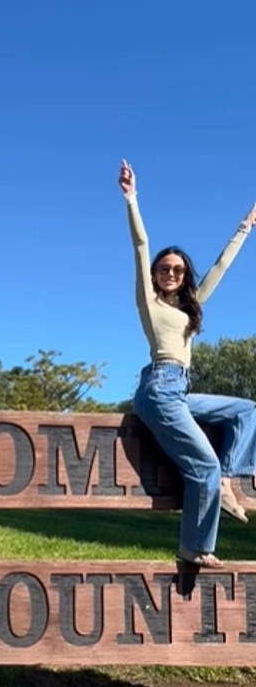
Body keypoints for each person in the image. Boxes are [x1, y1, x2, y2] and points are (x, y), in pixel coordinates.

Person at [119, 159, 256, 569]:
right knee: (203, 466)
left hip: (179, 389)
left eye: (178, 269)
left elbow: (220, 267)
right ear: (156, 274)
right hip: (158, 389)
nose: (171, 273)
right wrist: (131, 198)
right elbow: (141, 246)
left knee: (247, 410)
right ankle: (195, 546)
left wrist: (245, 227)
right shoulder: (149, 301)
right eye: (165, 269)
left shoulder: (191, 307)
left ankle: (232, 479)